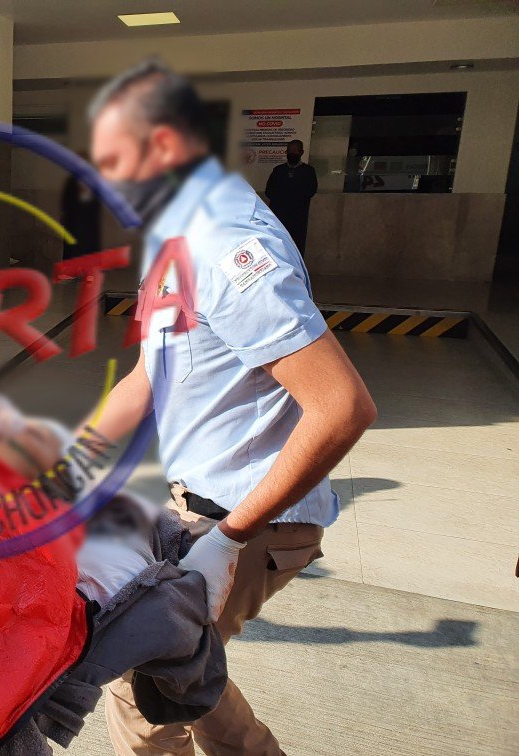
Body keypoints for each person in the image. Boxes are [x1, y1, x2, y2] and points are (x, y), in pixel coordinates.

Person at [84, 61, 376, 754]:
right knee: (180, 670)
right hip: (201, 501)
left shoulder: (228, 246)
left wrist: (229, 540)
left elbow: (343, 406)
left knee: (140, 679)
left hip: (251, 516)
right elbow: (148, 377)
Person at [265, 139, 317, 254]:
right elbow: (269, 191)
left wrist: (293, 196)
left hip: (298, 217)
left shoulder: (308, 171)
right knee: (278, 247)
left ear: (302, 152)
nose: (292, 154)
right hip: (279, 216)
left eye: (295, 151)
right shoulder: (278, 170)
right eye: (289, 151)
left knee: (296, 247)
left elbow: (311, 190)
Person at [60, 152, 103, 259]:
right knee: (73, 254)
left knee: (89, 254)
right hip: (74, 227)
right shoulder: (71, 182)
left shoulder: (93, 183)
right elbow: (67, 204)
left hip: (90, 229)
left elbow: (95, 206)